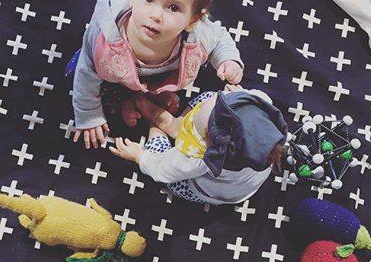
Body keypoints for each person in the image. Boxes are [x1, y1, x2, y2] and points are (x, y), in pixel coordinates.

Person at [69, 0, 244, 149]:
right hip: (116, 61)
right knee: (90, 70)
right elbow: (86, 71)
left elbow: (219, 37)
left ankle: (140, 98)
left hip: (158, 73)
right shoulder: (104, 39)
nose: (156, 15)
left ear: (192, 20)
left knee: (164, 96)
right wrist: (88, 114)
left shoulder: (198, 36)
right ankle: (126, 98)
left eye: (173, 8)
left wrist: (228, 60)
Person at [109, 85, 288, 205]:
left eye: (198, 131)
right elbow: (251, 98)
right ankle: (176, 124)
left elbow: (162, 169)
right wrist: (237, 94)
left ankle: (157, 126)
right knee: (209, 97)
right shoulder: (257, 103)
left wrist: (140, 156)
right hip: (241, 166)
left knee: (174, 182)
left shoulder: (200, 160)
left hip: (205, 188)